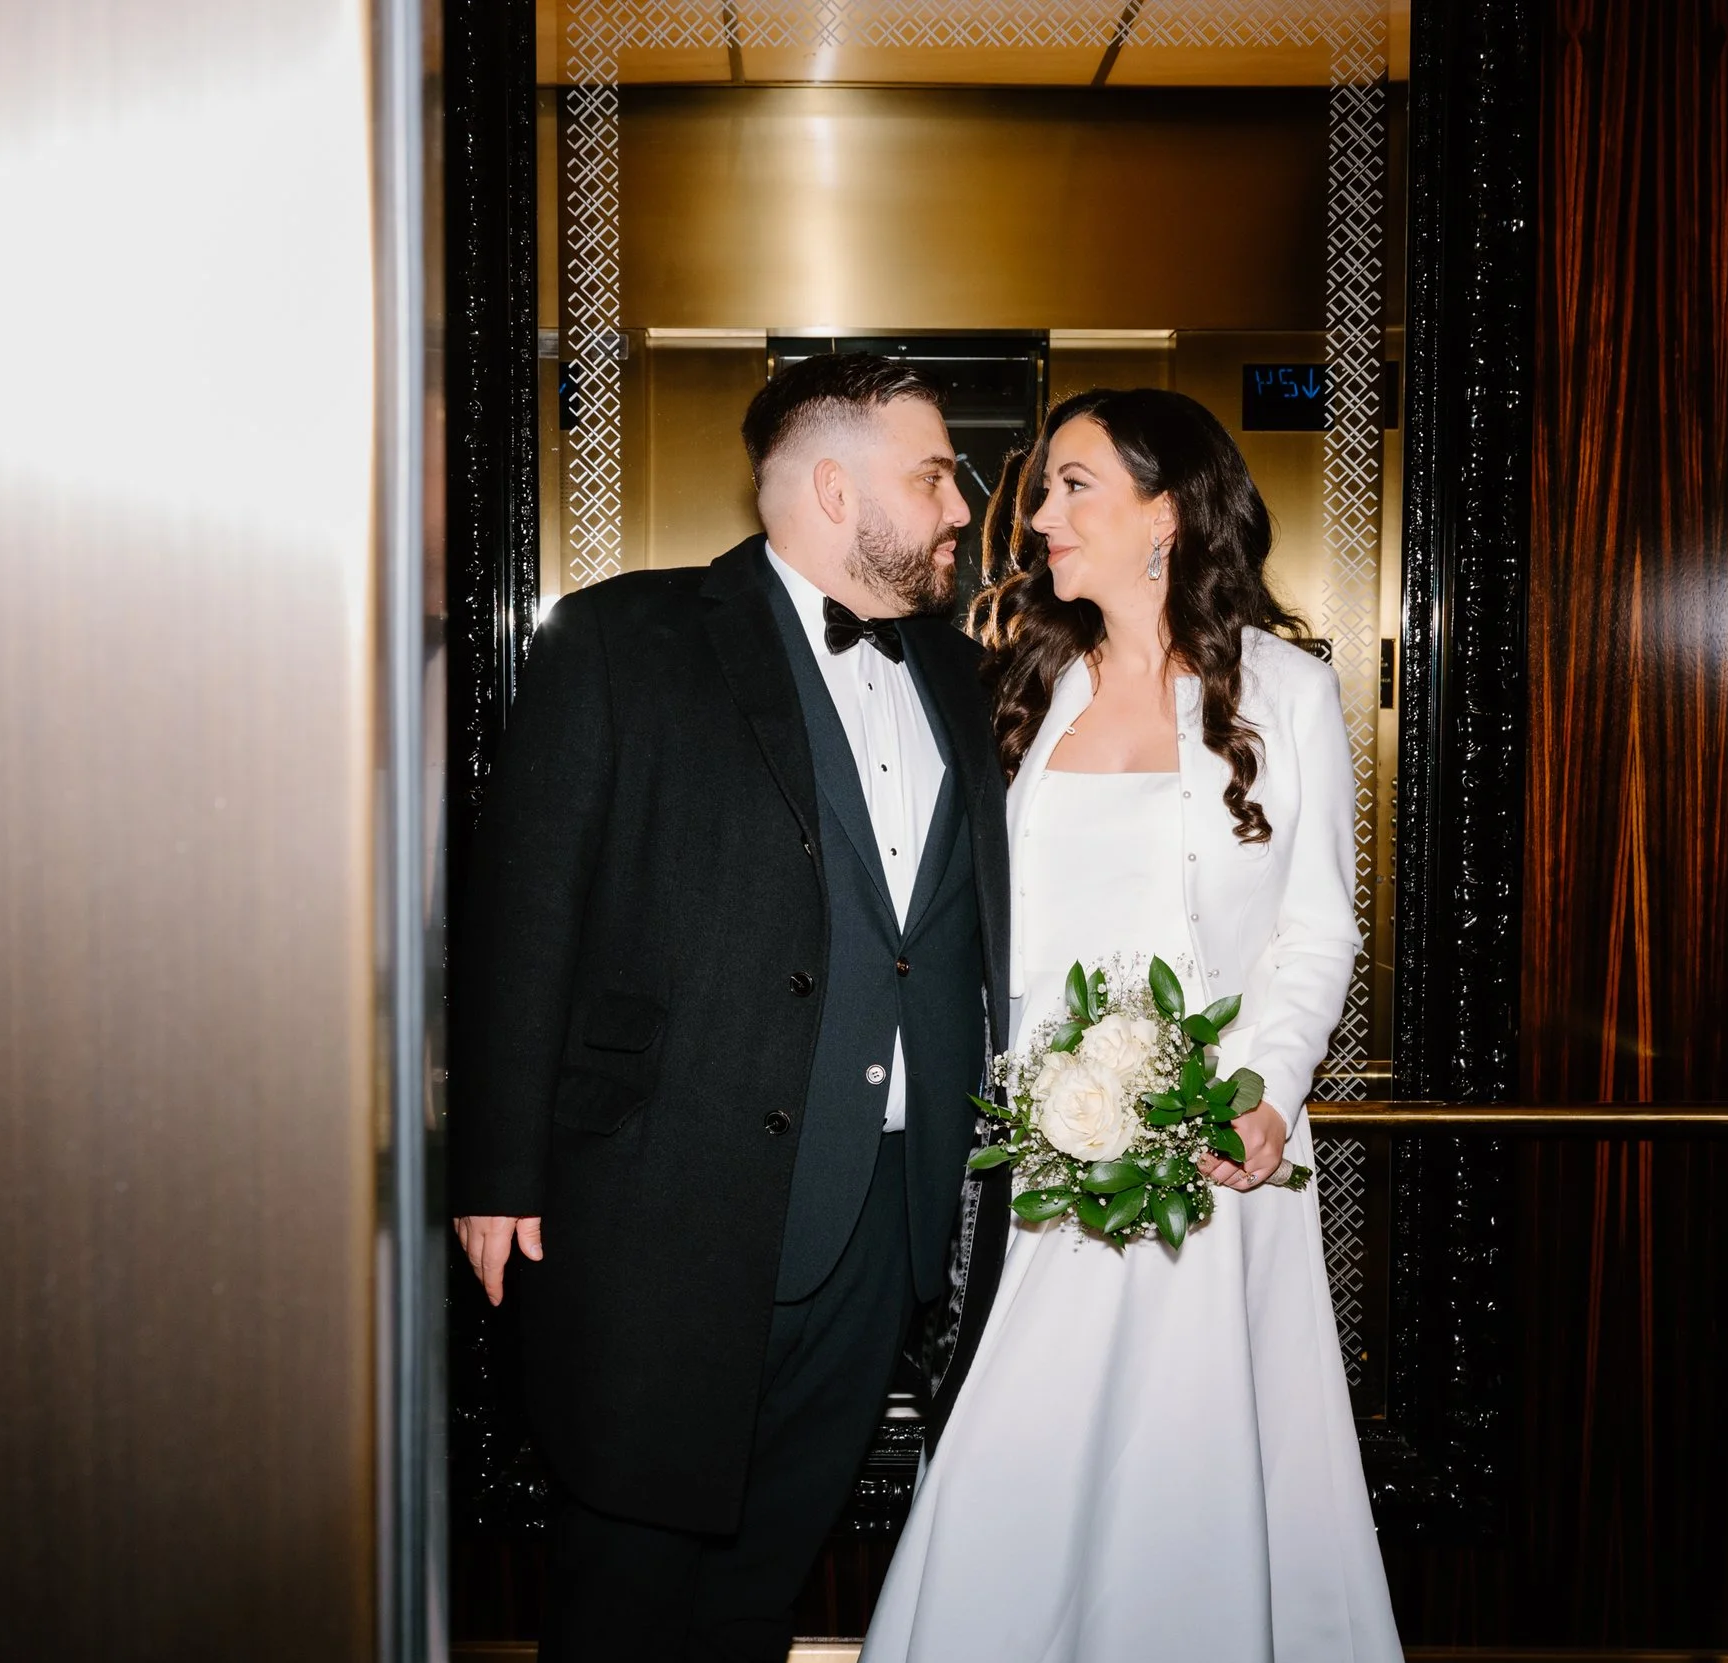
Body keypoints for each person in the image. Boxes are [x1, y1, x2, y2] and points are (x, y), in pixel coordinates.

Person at [452, 353, 1011, 1663]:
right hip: (666, 1203)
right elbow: (522, 910)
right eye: (936, 476)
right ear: (835, 488)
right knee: (627, 1589)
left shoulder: (957, 671)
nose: (960, 508)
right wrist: (495, 1164)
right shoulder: (619, 636)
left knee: (760, 1589)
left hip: (883, 1218)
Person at [863, 388, 1403, 1662]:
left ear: (1166, 512)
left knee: (1191, 1474)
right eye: (1042, 489)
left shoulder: (1288, 688)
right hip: (1036, 1164)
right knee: (1010, 1453)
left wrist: (1266, 1091)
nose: (1038, 515)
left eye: (1073, 485)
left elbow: (1317, 928)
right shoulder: (1021, 681)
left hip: (1213, 1157)